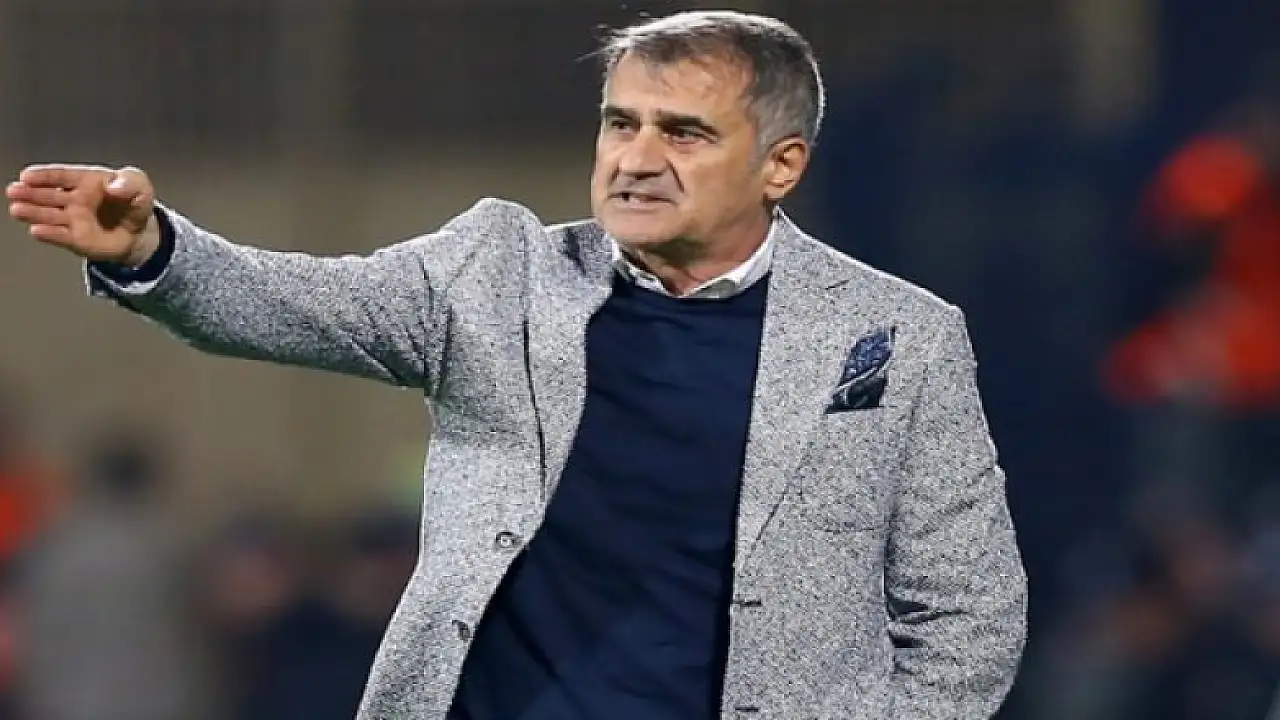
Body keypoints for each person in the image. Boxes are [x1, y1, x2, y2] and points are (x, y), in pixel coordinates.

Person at [5, 10, 1026, 719]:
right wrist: (155, 251)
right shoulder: (498, 275)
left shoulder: (898, 335)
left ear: (781, 165)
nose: (635, 157)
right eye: (620, 122)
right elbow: (302, 303)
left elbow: (969, 613)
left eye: (683, 132)